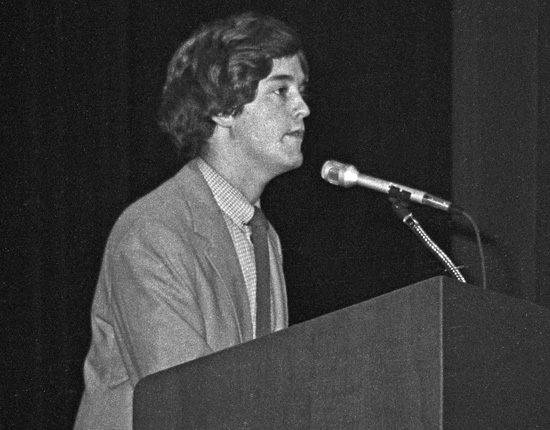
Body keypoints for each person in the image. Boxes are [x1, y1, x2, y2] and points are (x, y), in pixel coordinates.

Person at [74, 11, 310, 430]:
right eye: (280, 90)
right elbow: (185, 401)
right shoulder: (152, 231)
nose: (303, 108)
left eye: (301, 90)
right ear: (223, 108)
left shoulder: (264, 237)